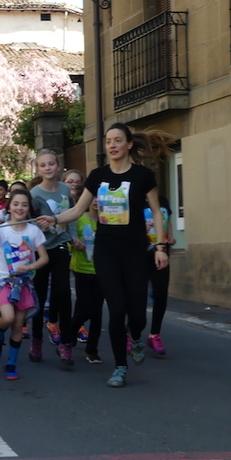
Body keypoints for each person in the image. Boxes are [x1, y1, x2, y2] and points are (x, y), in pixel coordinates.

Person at [47, 123, 171, 388]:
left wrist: (160, 247)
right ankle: (120, 367)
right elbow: (78, 209)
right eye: (108, 141)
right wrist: (54, 219)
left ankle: (135, 335)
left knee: (137, 316)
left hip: (136, 252)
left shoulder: (143, 175)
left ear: (128, 144)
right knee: (116, 309)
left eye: (117, 140)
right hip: (106, 252)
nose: (112, 145)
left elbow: (156, 212)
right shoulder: (98, 176)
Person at [0, 189, 48, 380]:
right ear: (9, 207)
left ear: (29, 208)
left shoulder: (34, 231)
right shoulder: (1, 230)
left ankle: (11, 364)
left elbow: (44, 258)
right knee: (7, 318)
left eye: (24, 205)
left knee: (18, 325)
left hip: (24, 284)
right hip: (3, 282)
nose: (20, 208)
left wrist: (30, 267)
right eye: (16, 204)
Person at [29, 149, 75, 365]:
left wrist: (72, 237)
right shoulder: (34, 194)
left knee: (63, 291)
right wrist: (42, 226)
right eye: (43, 165)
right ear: (38, 169)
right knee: (38, 294)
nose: (47, 168)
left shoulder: (65, 189)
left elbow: (72, 213)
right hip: (41, 248)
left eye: (51, 164)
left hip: (61, 245)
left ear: (58, 166)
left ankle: (66, 343)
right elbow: (29, 222)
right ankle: (36, 339)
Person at [69, 195, 104, 363]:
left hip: (102, 270)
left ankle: (92, 351)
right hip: (81, 269)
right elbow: (69, 239)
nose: (96, 201)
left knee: (97, 312)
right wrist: (74, 243)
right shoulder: (79, 218)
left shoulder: (107, 221)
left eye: (100, 197)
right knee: (84, 308)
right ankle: (70, 333)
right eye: (93, 197)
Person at [144, 195, 175, 356]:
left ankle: (155, 334)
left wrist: (170, 234)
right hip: (139, 253)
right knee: (136, 296)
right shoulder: (134, 197)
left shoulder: (162, 200)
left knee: (161, 295)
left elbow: (167, 219)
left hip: (161, 253)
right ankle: (129, 332)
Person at [63, 169, 89, 344]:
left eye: (77, 181)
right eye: (70, 181)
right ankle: (55, 323)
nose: (74, 184)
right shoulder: (61, 200)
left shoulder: (87, 202)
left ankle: (77, 325)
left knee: (82, 296)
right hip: (62, 249)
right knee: (61, 291)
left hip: (82, 253)